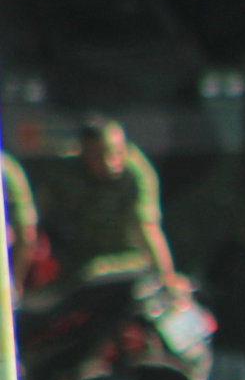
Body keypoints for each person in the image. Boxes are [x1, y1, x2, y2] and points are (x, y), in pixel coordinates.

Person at [44, 116, 184, 290]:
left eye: (117, 153)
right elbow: (39, 209)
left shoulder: (137, 175)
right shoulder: (66, 170)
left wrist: (167, 276)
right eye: (99, 156)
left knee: (94, 272)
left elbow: (147, 226)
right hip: (81, 256)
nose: (110, 163)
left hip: (131, 260)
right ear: (83, 153)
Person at [1, 152, 35, 300]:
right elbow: (26, 234)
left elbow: (25, 234)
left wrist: (15, 280)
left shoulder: (6, 170)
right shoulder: (6, 168)